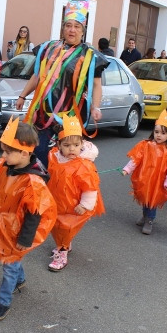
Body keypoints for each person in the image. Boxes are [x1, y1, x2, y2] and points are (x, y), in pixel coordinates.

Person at [15, 0, 109, 167]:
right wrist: (22, 96)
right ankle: (40, 189)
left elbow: (96, 85)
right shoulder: (48, 48)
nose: (72, 30)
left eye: (76, 26)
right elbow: (37, 76)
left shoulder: (90, 56)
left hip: (70, 118)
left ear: (83, 29)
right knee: (39, 156)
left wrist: (96, 106)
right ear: (63, 28)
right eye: (68, 26)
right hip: (42, 115)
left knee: (65, 162)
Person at [0, 117, 57, 320]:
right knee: (12, 262)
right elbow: (3, 186)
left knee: (9, 262)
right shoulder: (9, 167)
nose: (2, 156)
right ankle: (20, 279)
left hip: (18, 228)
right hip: (5, 223)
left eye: (7, 151)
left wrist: (25, 239)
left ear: (24, 153)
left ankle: (3, 302)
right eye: (3, 151)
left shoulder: (33, 182)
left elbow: (35, 212)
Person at [46, 115, 105, 271]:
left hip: (73, 205)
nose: (72, 149)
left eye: (76, 145)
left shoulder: (84, 166)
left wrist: (85, 205)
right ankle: (65, 244)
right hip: (57, 201)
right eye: (67, 145)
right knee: (57, 226)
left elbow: (90, 188)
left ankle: (62, 254)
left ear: (82, 145)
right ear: (59, 145)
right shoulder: (55, 158)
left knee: (65, 226)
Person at [122, 110, 167, 235]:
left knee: (152, 200)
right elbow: (136, 159)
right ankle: (145, 216)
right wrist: (127, 169)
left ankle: (149, 220)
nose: (159, 135)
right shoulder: (146, 145)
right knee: (145, 198)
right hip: (144, 178)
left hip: (158, 182)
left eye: (163, 133)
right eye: (156, 132)